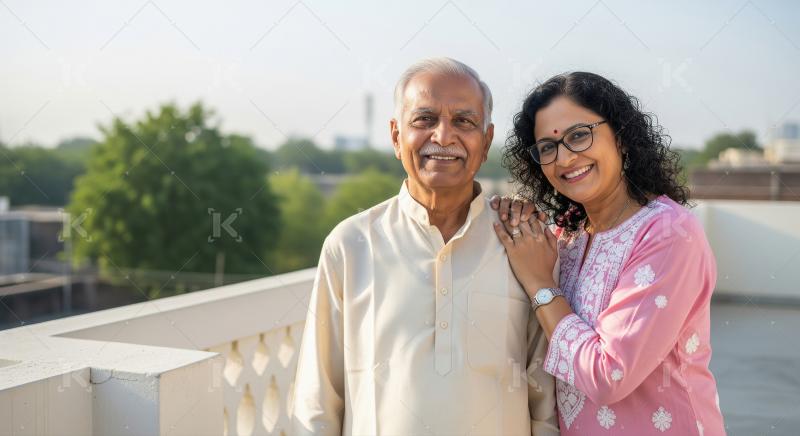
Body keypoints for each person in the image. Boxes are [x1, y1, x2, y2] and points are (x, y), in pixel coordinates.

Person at [291, 57, 559, 435]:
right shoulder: (351, 245)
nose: (444, 136)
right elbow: (317, 400)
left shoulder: (522, 241)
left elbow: (545, 398)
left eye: (464, 121)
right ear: (396, 136)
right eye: (425, 119)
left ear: (485, 142)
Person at [491, 72, 725, 435]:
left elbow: (608, 376)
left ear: (622, 136)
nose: (565, 158)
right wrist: (515, 218)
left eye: (579, 135)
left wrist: (540, 283)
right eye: (548, 147)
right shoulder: (568, 237)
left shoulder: (668, 234)